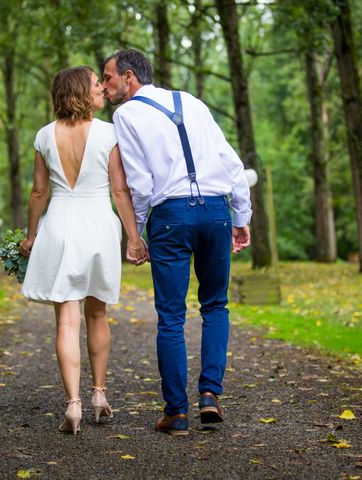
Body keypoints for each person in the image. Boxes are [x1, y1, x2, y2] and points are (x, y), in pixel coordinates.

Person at [102, 49, 252, 435]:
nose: (104, 86)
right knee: (216, 305)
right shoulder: (192, 101)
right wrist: (241, 216)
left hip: (171, 216)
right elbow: (230, 160)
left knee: (171, 315)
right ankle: (210, 396)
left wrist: (134, 236)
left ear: (130, 77)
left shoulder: (126, 115)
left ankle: (177, 412)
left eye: (109, 78)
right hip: (216, 211)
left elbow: (139, 182)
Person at [20, 66, 148, 435]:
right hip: (98, 226)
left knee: (66, 319)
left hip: (59, 224)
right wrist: (134, 237)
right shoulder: (109, 133)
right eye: (95, 84)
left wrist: (31, 236)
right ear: (81, 91)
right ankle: (98, 394)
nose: (101, 90)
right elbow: (119, 191)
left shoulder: (44, 135)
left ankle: (72, 403)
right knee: (97, 314)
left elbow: (39, 193)